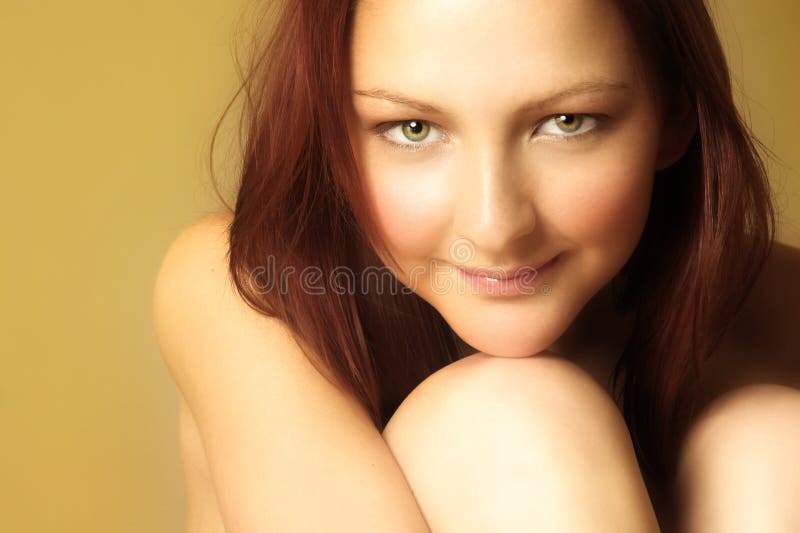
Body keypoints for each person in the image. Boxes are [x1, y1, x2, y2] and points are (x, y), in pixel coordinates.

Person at [152, 0, 800, 531]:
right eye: (412, 129)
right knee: (513, 421)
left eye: (567, 121)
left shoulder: (769, 300)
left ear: (675, 113)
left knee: (773, 445)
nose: (494, 226)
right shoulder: (248, 293)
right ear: (332, 132)